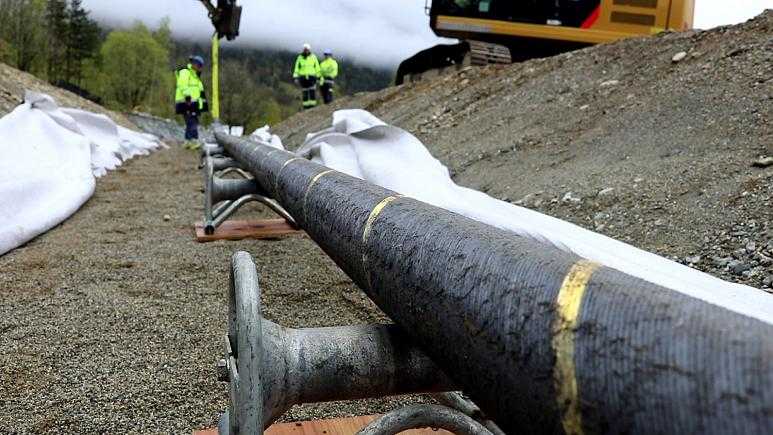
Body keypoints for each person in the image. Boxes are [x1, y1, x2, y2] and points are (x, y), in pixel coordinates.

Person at [175, 55, 208, 141]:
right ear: (193, 64)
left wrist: (201, 106)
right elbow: (182, 85)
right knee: (191, 122)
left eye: (200, 66)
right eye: (198, 65)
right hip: (186, 103)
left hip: (193, 104)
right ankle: (190, 141)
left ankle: (193, 140)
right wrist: (187, 97)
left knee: (194, 122)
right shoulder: (185, 72)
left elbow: (200, 94)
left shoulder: (195, 77)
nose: (199, 67)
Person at [293, 43, 321, 110]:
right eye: (305, 49)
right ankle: (306, 107)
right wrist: (295, 77)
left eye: (307, 49)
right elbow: (296, 67)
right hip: (303, 77)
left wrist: (318, 76)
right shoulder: (300, 57)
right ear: (303, 50)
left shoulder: (313, 57)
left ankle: (312, 107)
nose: (306, 51)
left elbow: (317, 67)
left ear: (309, 50)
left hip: (312, 77)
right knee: (305, 92)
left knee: (312, 91)